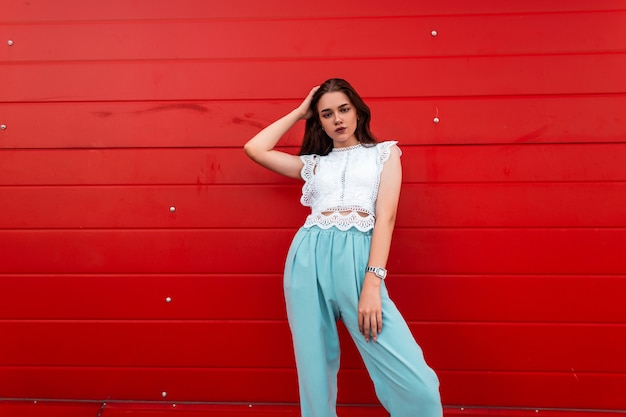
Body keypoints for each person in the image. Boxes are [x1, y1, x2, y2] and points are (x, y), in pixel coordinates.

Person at [244, 78, 442, 417]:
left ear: (358, 111)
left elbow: (387, 217)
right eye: (326, 114)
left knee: (419, 385)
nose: (337, 119)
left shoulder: (385, 154)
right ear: (318, 120)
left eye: (343, 109)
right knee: (314, 371)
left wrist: (372, 282)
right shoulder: (316, 163)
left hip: (359, 262)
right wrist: (298, 112)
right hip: (308, 260)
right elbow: (255, 149)